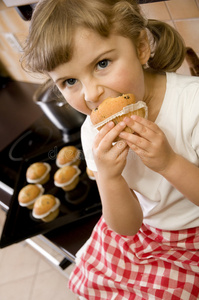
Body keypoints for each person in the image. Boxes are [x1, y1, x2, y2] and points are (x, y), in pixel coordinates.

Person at [22, 0, 199, 299]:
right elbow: (127, 227)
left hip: (193, 233)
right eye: (70, 81)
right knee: (86, 282)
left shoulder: (192, 106)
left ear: (141, 47)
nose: (91, 94)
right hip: (146, 233)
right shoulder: (92, 131)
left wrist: (169, 164)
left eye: (102, 64)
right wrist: (109, 177)